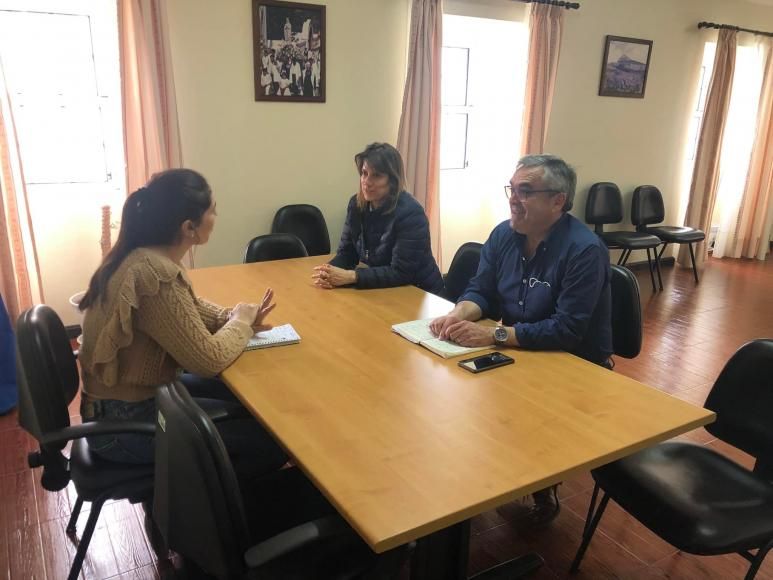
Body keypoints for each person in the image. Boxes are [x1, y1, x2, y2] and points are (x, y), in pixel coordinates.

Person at [430, 154, 613, 525]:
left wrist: (493, 334)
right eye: (512, 189)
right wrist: (459, 313)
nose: (513, 199)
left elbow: (567, 329)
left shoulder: (584, 250)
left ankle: (540, 484)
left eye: (525, 192)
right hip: (520, 349)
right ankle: (481, 477)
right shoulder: (503, 234)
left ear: (558, 201)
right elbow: (482, 290)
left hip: (573, 363)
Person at [77, 169, 288, 482]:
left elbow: (186, 311)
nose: (217, 215)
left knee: (244, 401)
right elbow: (207, 360)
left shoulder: (143, 257)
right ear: (189, 227)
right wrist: (241, 323)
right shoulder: (154, 274)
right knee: (269, 444)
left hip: (118, 408)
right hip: (123, 426)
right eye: (212, 210)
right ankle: (215, 515)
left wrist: (233, 316)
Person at [313, 142, 443, 294]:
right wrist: (328, 272)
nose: (367, 182)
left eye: (377, 176)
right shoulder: (356, 205)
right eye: (364, 173)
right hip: (386, 290)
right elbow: (347, 254)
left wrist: (352, 276)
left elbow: (401, 272)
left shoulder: (411, 213)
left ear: (393, 181)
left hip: (421, 293)